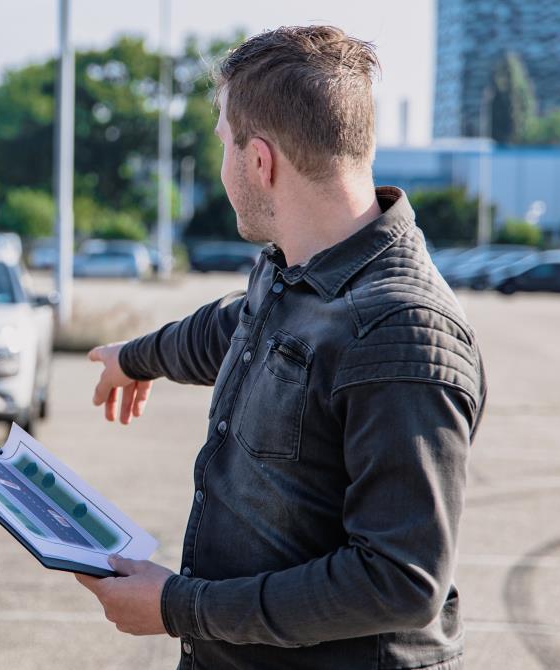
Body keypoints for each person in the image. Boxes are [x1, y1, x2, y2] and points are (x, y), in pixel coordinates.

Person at [78, 26, 486, 670]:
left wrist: (177, 607)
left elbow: (401, 581)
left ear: (260, 161)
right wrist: (136, 355)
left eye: (223, 147)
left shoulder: (403, 330)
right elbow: (235, 328)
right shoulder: (295, 269)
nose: (222, 169)